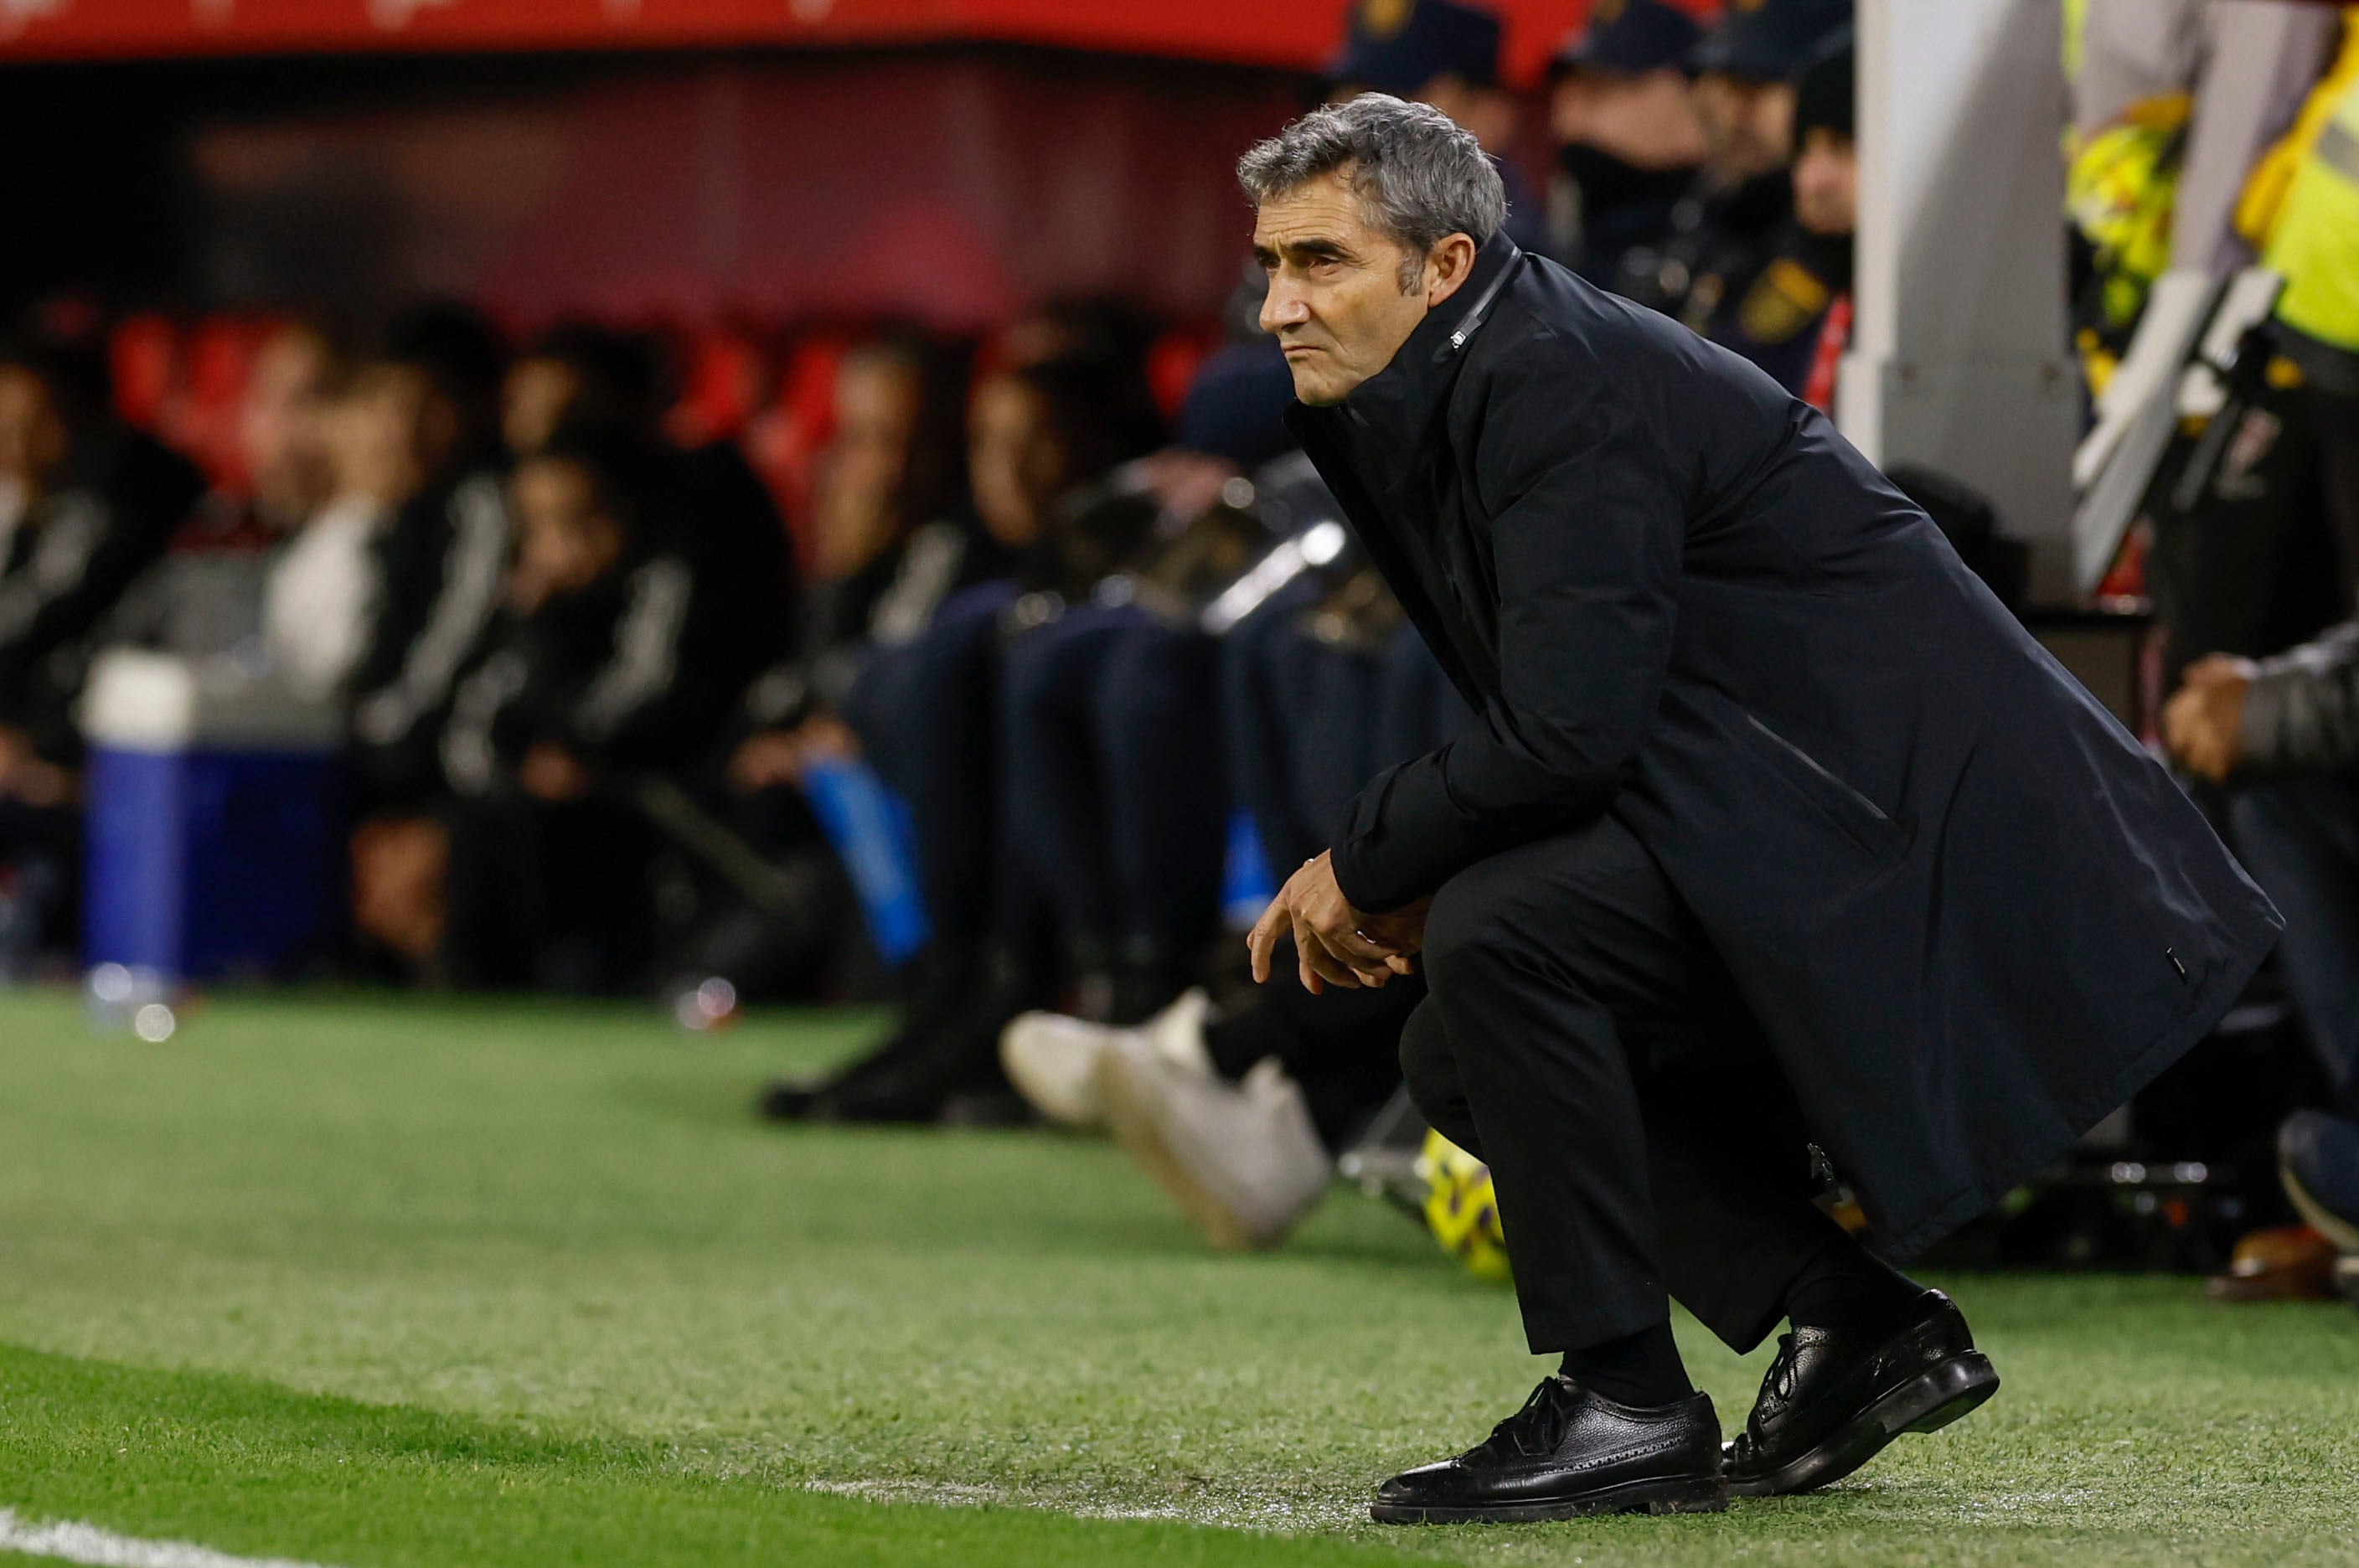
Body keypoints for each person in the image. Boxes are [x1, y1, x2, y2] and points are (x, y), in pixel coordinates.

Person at [1234, 95, 2277, 1521]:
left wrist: (1361, 859)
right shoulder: (1476, 369)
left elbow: (1568, 729)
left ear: (1445, 268)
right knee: (1459, 1043)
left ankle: (1621, 1403)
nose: (1278, 304)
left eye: (1319, 263)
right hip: (1798, 816)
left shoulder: (1550, 382)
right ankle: (1855, 1323)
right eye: (1270, 265)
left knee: (1500, 936)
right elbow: (1587, 713)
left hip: (1897, 841)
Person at [1616, 0, 1847, 348]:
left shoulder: (1832, 233)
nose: (1730, 114)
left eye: (1755, 86)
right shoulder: (1720, 207)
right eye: (1725, 85)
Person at [1324, 0, 1551, 258]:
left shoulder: (1504, 255)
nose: (1360, 117)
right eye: (1353, 93)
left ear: (1489, 113)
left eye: (1397, 99)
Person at [1545, 0, 1709, 290]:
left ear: (1695, 100)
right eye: (1571, 89)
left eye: (1607, 87)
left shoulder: (1718, 239)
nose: (1570, 113)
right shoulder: (1563, 235)